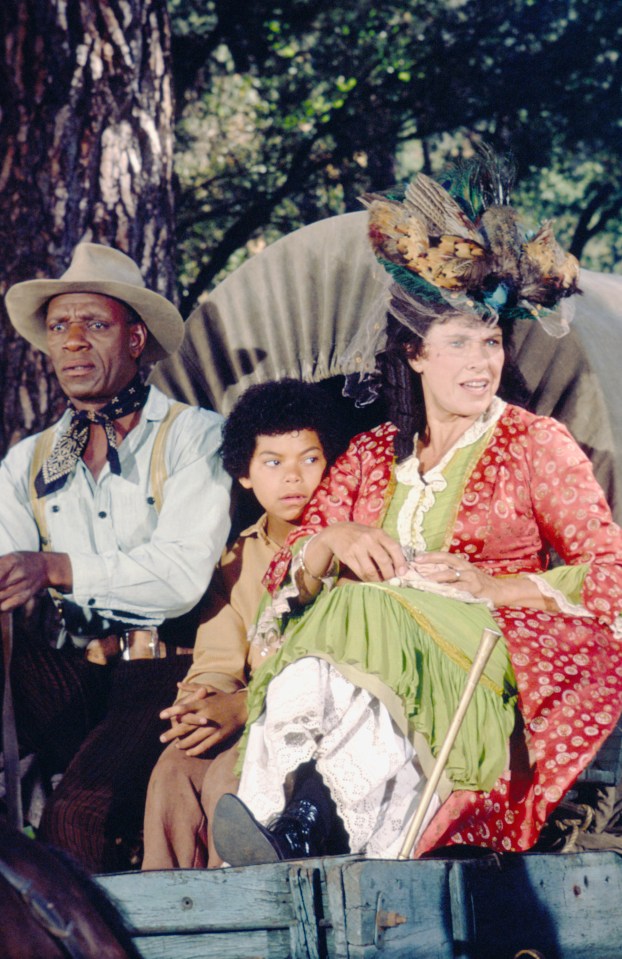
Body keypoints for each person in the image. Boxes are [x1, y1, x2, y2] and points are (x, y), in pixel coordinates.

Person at [212, 153, 622, 865]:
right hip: (371, 667)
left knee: (360, 607)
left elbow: (610, 564)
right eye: (459, 342)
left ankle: (307, 821)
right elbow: (286, 566)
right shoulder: (372, 454)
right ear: (414, 354)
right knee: (344, 613)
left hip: (485, 655)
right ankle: (302, 817)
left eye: (490, 341)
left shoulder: (535, 444)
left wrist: (498, 585)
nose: (481, 361)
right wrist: (333, 536)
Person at [0, 242, 231, 871]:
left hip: (168, 672)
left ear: (135, 339)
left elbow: (182, 577)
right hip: (80, 677)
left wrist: (53, 568)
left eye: (94, 324)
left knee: (78, 817)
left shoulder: (194, 435)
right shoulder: (29, 461)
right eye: (58, 327)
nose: (72, 341)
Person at [141, 378, 347, 868]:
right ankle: (168, 916)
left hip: (317, 722)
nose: (293, 478)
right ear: (246, 475)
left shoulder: (346, 547)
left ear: (332, 463)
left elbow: (332, 663)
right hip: (246, 711)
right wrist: (201, 704)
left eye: (309, 459)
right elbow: (217, 657)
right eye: (272, 462)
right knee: (174, 770)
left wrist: (242, 706)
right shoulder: (237, 559)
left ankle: (240, 915)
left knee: (227, 779)